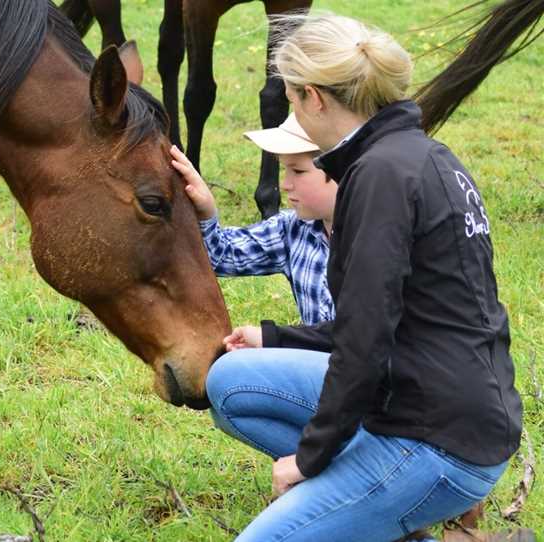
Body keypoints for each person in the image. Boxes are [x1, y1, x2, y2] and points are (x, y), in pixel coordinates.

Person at [204, 13, 522, 542]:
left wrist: (308, 461)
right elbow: (384, 319)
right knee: (233, 382)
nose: (292, 110)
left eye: (290, 98)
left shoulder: (378, 177)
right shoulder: (422, 156)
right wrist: (277, 337)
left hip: (435, 439)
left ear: (315, 98)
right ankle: (376, 510)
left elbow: (366, 340)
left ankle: (384, 495)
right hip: (436, 400)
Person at [169, 112, 336, 327]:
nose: (285, 184)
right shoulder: (293, 229)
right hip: (313, 357)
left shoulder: (378, 233)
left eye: (298, 171)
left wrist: (274, 340)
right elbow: (221, 256)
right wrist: (206, 212)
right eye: (285, 169)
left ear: (340, 167)